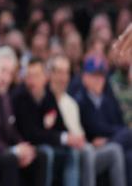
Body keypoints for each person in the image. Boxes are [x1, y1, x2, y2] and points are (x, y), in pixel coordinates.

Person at [0, 46, 49, 186]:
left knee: (40, 155)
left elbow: (11, 131)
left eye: (10, 74)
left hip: (7, 153)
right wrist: (14, 151)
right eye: (3, 71)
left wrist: (22, 147)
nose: (6, 78)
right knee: (10, 159)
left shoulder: (5, 95)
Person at [47, 54, 126, 186]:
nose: (63, 77)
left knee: (114, 150)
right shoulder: (48, 99)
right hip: (63, 149)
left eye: (66, 73)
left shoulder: (71, 103)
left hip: (81, 147)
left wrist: (85, 140)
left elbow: (81, 133)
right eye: (59, 72)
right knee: (86, 150)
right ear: (50, 74)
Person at [11, 58, 81, 186]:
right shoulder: (20, 97)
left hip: (47, 142)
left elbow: (59, 124)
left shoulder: (48, 95)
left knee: (73, 151)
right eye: (29, 76)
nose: (31, 80)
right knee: (47, 152)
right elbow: (31, 134)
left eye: (36, 75)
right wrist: (63, 138)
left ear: (45, 77)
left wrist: (70, 137)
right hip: (28, 145)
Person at [73, 55, 132, 186]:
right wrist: (114, 136)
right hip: (90, 151)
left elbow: (120, 125)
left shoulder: (108, 100)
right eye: (95, 76)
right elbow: (94, 127)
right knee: (126, 137)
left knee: (129, 155)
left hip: (110, 143)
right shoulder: (79, 101)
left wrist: (108, 140)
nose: (99, 80)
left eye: (101, 76)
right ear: (85, 77)